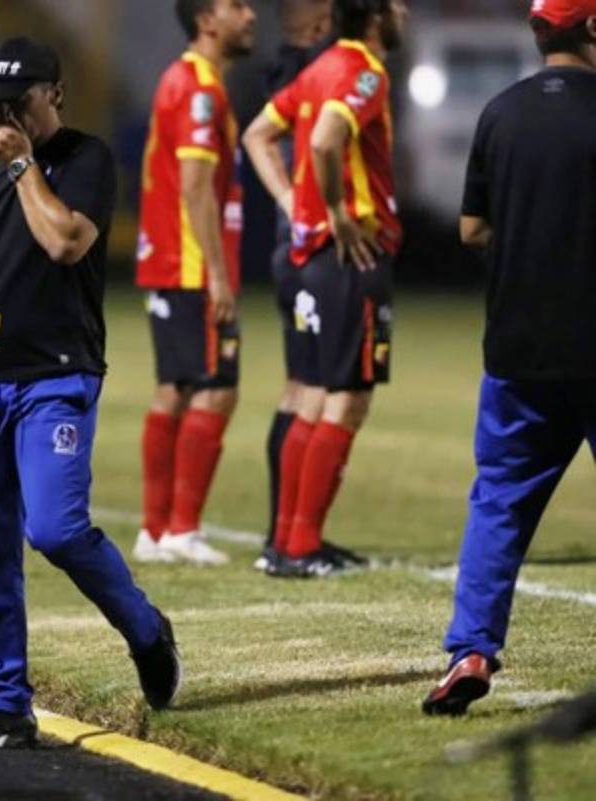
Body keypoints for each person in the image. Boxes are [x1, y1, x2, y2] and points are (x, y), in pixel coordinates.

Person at [0, 37, 181, 748]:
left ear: (54, 95)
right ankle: (5, 698)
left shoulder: (87, 162)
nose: (2, 116)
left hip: (55, 380)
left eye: (16, 101)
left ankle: (146, 629)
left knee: (54, 528)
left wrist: (22, 165)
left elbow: (65, 243)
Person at [422, 1, 596, 717]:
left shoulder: (500, 112)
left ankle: (471, 649)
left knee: (498, 502)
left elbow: (470, 229)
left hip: (518, 349)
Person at [243, 0, 407, 578]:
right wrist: (334, 210)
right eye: (397, 5)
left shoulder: (319, 67)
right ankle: (300, 545)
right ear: (375, 14)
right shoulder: (363, 69)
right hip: (348, 257)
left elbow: (258, 135)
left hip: (311, 258)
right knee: (345, 398)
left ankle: (287, 544)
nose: (405, 12)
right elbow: (325, 140)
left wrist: (294, 204)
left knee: (311, 395)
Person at [132, 0, 257, 567]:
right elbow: (195, 187)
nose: (251, 15)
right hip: (190, 264)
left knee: (177, 387)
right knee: (214, 387)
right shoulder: (199, 89)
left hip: (171, 260)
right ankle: (179, 529)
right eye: (237, 6)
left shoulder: (185, 81)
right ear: (208, 21)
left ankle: (157, 531)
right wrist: (219, 275)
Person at [254, 0, 341, 572]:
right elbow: (266, 140)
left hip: (298, 249)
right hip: (310, 250)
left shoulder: (303, 65)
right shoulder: (315, 71)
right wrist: (301, 206)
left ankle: (288, 536)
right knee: (319, 390)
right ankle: (288, 539)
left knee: (302, 387)